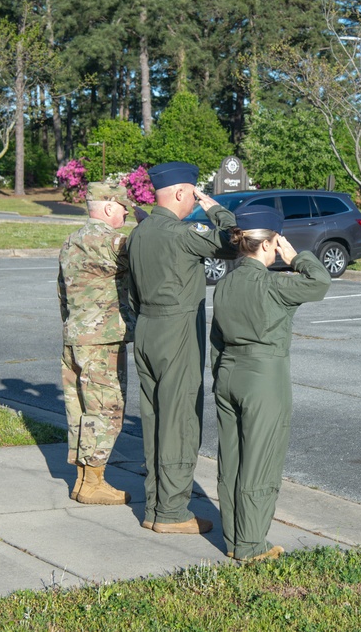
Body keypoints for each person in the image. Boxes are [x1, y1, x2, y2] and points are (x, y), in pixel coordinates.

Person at [210, 205, 331, 561]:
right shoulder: (275, 284)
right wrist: (297, 258)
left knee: (231, 460)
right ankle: (250, 545)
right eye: (277, 241)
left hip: (228, 371)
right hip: (264, 376)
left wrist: (220, 375)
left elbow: (216, 338)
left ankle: (234, 538)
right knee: (260, 461)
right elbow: (320, 282)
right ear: (267, 244)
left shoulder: (226, 281)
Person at [126, 161, 236, 534]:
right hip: (177, 332)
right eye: (192, 192)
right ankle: (172, 512)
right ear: (179, 192)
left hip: (146, 329)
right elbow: (236, 240)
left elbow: (131, 293)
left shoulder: (140, 233)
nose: (194, 199)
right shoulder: (182, 234)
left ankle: (156, 506)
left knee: (155, 420)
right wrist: (214, 207)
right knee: (180, 420)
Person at [58, 179, 142, 505]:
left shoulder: (70, 242)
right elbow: (143, 266)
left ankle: (83, 481)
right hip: (102, 341)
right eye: (123, 208)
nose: (126, 215)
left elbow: (62, 293)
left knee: (79, 410)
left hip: (74, 335)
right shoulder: (112, 241)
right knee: (106, 409)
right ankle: (93, 482)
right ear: (109, 207)